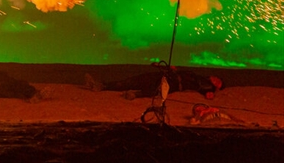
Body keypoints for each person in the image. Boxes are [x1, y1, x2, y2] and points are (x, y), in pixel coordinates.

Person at [85, 65, 223, 100]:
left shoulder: (206, 86)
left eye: (218, 83)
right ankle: (102, 85)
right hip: (166, 75)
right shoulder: (196, 75)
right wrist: (170, 68)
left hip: (173, 84)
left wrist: (212, 91)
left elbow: (208, 94)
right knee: (134, 81)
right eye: (217, 78)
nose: (216, 80)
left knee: (156, 89)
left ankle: (135, 94)